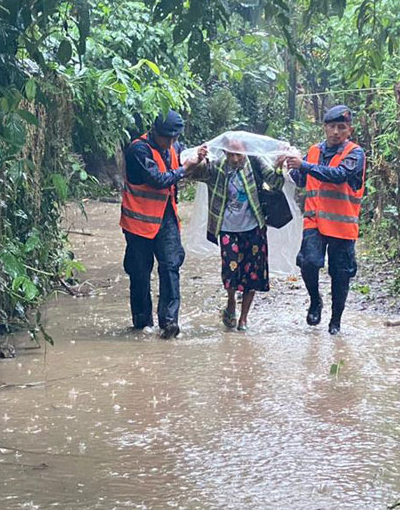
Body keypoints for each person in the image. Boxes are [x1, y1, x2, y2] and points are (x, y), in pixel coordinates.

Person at [120, 110, 205, 339]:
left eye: (173, 139)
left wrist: (197, 158)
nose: (169, 143)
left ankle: (169, 323)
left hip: (166, 218)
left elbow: (187, 162)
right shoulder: (138, 150)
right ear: (155, 132)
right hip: (138, 222)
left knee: (170, 267)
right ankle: (142, 324)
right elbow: (158, 180)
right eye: (166, 138)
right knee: (140, 273)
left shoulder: (176, 147)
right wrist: (185, 168)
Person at [190, 137, 286, 331]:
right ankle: (231, 301)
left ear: (246, 152)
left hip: (254, 229)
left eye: (239, 154)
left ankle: (244, 318)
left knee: (253, 276)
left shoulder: (255, 164)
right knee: (230, 272)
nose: (235, 159)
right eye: (231, 154)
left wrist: (278, 166)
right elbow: (192, 174)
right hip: (227, 229)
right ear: (224, 153)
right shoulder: (217, 168)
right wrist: (198, 160)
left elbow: (276, 183)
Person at [286, 105, 366, 335]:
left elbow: (340, 175)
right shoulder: (313, 152)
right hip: (314, 221)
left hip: (342, 226)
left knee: (340, 275)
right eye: (332, 126)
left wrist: (305, 166)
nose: (336, 132)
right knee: (308, 262)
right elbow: (300, 179)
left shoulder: (355, 153)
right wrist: (285, 164)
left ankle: (336, 322)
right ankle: (315, 300)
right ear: (325, 128)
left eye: (341, 127)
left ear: (349, 130)